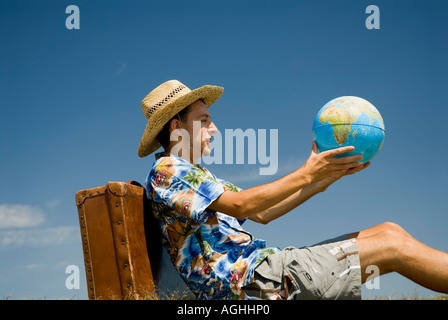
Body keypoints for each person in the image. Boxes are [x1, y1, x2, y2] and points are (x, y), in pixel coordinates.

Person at [138, 80, 448, 300]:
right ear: (177, 127)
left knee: (387, 230)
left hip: (264, 272)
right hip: (253, 284)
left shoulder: (199, 176)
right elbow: (244, 205)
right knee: (392, 245)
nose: (214, 129)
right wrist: (306, 172)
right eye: (204, 120)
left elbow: (263, 212)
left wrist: (324, 179)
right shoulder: (167, 170)